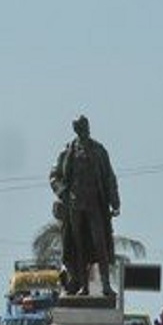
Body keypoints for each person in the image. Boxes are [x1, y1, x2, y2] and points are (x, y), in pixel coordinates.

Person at [50, 115, 120, 296]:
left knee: (100, 243)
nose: (85, 130)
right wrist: (64, 193)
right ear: (77, 129)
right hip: (75, 206)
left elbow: (109, 177)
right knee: (78, 245)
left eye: (86, 126)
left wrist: (114, 200)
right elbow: (54, 176)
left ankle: (105, 284)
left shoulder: (99, 150)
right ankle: (84, 285)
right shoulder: (68, 151)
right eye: (81, 127)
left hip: (95, 204)